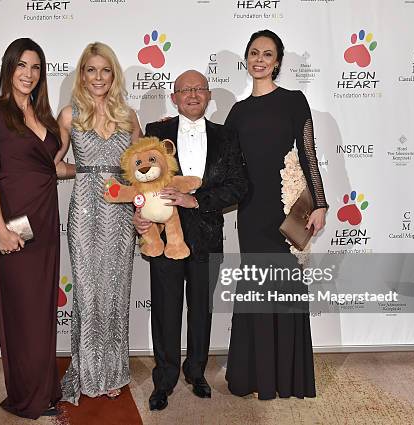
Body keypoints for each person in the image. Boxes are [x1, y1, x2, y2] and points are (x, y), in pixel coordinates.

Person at [134, 70, 248, 411]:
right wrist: (138, 213)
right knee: (166, 311)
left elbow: (238, 185)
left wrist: (196, 199)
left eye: (199, 89)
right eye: (185, 89)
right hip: (164, 238)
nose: (193, 95)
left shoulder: (227, 136)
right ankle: (164, 379)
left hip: (207, 237)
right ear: (174, 97)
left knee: (201, 310)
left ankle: (196, 371)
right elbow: (140, 178)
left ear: (209, 95)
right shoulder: (156, 132)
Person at [224, 29, 328, 399]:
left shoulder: (294, 101)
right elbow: (230, 169)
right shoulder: (237, 112)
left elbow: (308, 156)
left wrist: (320, 203)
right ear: (246, 59)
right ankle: (256, 376)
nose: (260, 59)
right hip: (251, 213)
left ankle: (287, 377)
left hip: (288, 209)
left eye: (267, 54)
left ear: (278, 61)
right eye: (254, 52)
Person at [0, 38, 63, 418]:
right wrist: (0, 228)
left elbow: (53, 168)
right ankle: (27, 395)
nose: (29, 74)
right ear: (9, 68)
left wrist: (96, 171)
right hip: (14, 225)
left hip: (46, 221)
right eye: (22, 65)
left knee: (42, 309)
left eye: (36, 67)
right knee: (22, 310)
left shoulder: (44, 116)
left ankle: (45, 389)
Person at [56, 42, 141, 404]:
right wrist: (87, 171)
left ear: (114, 74)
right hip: (85, 214)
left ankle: (113, 374)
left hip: (121, 215)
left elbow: (142, 172)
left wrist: (141, 208)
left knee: (116, 293)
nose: (98, 77)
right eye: (91, 70)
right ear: (82, 74)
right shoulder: (69, 115)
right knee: (89, 295)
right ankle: (88, 374)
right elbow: (54, 164)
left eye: (105, 70)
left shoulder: (129, 117)